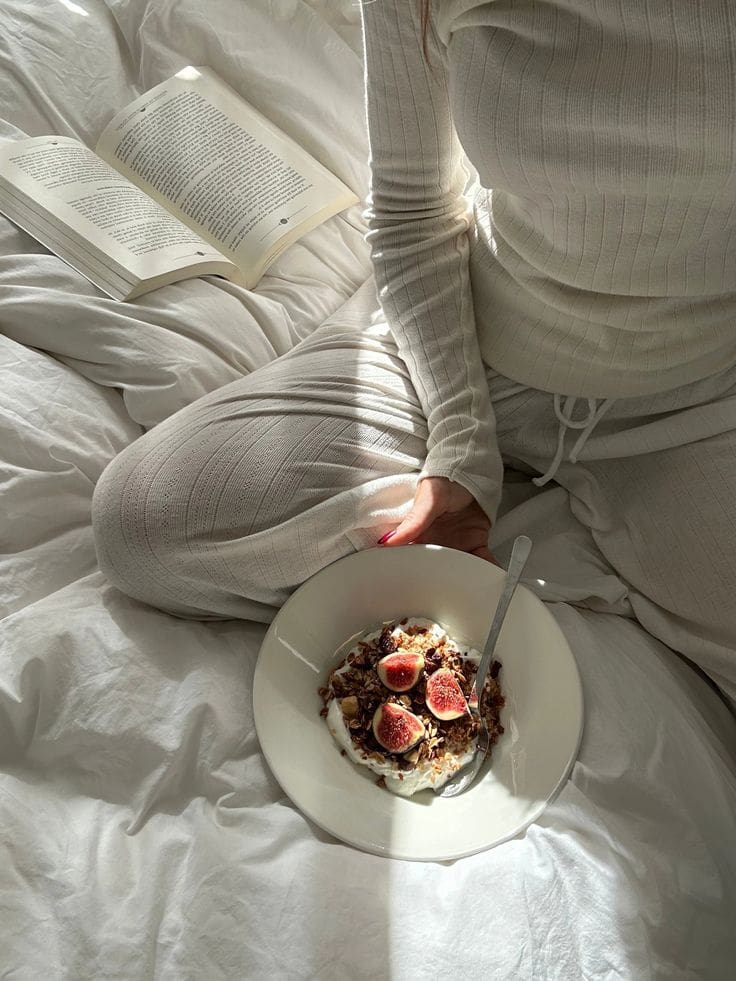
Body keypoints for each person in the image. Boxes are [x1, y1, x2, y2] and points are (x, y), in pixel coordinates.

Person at [92, 0, 736, 704]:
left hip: (694, 399)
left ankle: (569, 562)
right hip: (468, 339)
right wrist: (462, 444)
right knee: (141, 528)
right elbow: (410, 205)